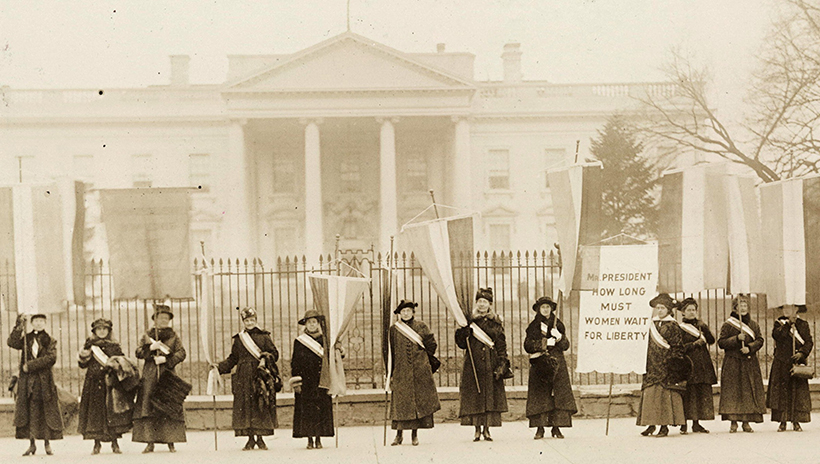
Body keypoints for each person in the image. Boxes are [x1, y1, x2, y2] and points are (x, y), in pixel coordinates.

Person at [215, 307, 280, 450]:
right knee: (246, 407)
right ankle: (250, 439)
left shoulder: (264, 337)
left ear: (256, 321)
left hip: (259, 375)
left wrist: (265, 357)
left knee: (260, 404)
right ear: (243, 322)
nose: (249, 323)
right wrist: (219, 367)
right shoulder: (239, 339)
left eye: (252, 320)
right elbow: (233, 359)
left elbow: (274, 354)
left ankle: (260, 438)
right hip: (243, 376)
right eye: (246, 321)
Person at [455, 287, 510, 442]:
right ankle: (477, 430)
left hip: (490, 363)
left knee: (488, 397)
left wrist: (502, 362)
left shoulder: (496, 322)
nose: (481, 305)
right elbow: (461, 344)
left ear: (490, 304)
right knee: (475, 397)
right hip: (473, 364)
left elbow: (501, 343)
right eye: (479, 301)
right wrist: (462, 333)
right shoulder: (468, 321)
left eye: (485, 302)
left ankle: (487, 430)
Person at [132, 304, 187, 453]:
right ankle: (150, 442)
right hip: (150, 375)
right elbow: (138, 352)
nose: (163, 320)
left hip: (167, 374)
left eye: (166, 318)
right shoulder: (147, 336)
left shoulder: (174, 337)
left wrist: (166, 361)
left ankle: (170, 442)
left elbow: (182, 353)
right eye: (160, 318)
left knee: (168, 407)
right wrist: (150, 348)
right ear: (154, 319)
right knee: (149, 408)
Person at [7, 313, 63, 456]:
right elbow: (12, 342)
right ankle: (32, 444)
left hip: (44, 382)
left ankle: (47, 443)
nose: (38, 324)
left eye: (41, 321)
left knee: (45, 412)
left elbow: (51, 358)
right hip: (28, 382)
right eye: (36, 321)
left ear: (45, 323)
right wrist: (19, 325)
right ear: (32, 323)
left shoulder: (50, 340)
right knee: (30, 412)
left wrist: (30, 365)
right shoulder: (26, 339)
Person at [388, 300, 441, 446]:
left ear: (413, 312)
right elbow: (390, 351)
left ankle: (414, 435)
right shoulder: (394, 329)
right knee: (401, 405)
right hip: (401, 372)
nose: (406, 314)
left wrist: (423, 358)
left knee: (417, 405)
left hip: (419, 371)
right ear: (399, 314)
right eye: (403, 311)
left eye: (408, 311)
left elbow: (431, 344)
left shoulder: (421, 326)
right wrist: (390, 372)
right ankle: (398, 435)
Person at [77, 318, 133, 454]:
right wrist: (84, 354)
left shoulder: (114, 346)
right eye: (99, 329)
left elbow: (123, 364)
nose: (102, 331)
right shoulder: (90, 345)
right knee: (95, 413)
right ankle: (96, 444)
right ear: (95, 331)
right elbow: (82, 365)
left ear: (108, 331)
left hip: (111, 383)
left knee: (111, 413)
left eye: (104, 329)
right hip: (93, 383)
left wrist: (115, 364)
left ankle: (115, 443)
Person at [524, 296, 577, 439]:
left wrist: (559, 337)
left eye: (548, 307)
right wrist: (544, 343)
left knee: (558, 395)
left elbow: (565, 346)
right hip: (540, 364)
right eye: (543, 307)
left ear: (551, 309)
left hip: (557, 363)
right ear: (539, 309)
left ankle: (556, 428)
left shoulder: (558, 324)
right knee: (540, 396)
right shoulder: (533, 326)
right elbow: (527, 345)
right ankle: (540, 428)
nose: (545, 309)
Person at [637, 293, 688, 437]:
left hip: (665, 366)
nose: (659, 310)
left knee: (663, 397)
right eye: (658, 308)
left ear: (668, 310)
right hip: (651, 365)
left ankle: (664, 427)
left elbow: (678, 347)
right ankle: (651, 424)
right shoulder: (651, 324)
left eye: (662, 308)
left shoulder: (673, 325)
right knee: (650, 395)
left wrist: (671, 363)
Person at [717, 294, 765, 433]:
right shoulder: (728, 324)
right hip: (733, 362)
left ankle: (746, 422)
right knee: (733, 392)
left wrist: (749, 347)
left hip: (749, 361)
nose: (743, 308)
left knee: (747, 391)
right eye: (740, 306)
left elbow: (760, 340)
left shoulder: (753, 324)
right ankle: (733, 422)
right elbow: (721, 343)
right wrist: (736, 339)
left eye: (745, 306)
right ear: (735, 308)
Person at [291, 310, 334, 449]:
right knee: (307, 410)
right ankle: (309, 439)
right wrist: (297, 381)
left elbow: (332, 359)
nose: (312, 325)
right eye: (309, 322)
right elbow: (295, 362)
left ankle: (319, 438)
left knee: (320, 409)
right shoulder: (299, 341)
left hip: (321, 379)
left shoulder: (325, 340)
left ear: (318, 324)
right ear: (305, 324)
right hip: (306, 381)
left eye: (314, 322)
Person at [767, 304, 813, 432]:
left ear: (796, 310)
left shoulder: (803, 324)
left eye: (789, 309)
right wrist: (788, 324)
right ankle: (782, 421)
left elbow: (809, 341)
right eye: (784, 309)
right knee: (782, 393)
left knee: (797, 393)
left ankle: (796, 421)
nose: (786, 311)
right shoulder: (779, 323)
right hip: (781, 363)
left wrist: (802, 353)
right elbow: (778, 336)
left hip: (797, 362)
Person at [677, 298, 717, 434]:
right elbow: (679, 348)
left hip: (702, 364)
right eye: (688, 310)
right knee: (689, 394)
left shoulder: (700, 326)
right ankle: (684, 424)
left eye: (694, 310)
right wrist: (694, 344)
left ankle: (696, 423)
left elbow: (711, 340)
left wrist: (705, 327)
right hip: (688, 365)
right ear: (683, 313)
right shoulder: (680, 328)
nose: (692, 312)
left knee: (699, 393)